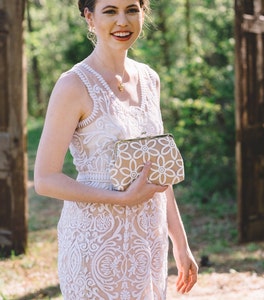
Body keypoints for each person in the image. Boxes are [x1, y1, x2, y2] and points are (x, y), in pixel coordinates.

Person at [34, 0, 198, 298]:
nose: (122, 21)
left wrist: (180, 243)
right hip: (95, 243)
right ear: (89, 17)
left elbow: (157, 169)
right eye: (110, 11)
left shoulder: (150, 79)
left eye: (131, 10)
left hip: (148, 240)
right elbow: (45, 179)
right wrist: (121, 199)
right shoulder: (73, 85)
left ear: (142, 13)